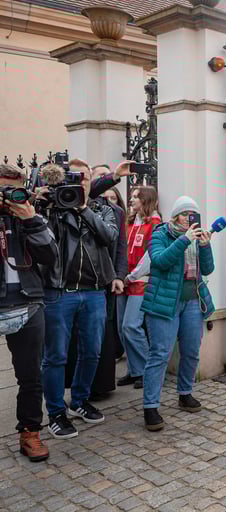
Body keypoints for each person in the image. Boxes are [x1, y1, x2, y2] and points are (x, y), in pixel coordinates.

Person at [41, 158, 119, 439]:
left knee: (92, 351)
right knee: (56, 356)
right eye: (75, 177)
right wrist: (49, 204)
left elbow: (109, 237)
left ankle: (80, 401)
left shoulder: (103, 209)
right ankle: (55, 413)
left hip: (95, 291)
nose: (80, 182)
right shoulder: (54, 209)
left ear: (91, 182)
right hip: (60, 291)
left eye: (85, 177)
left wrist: (84, 208)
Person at [140, 196, 214, 431]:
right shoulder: (160, 233)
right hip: (165, 303)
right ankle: (150, 406)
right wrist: (184, 240)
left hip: (192, 301)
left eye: (194, 214)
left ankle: (185, 393)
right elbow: (160, 261)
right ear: (175, 216)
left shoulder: (195, 237)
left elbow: (208, 268)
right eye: (185, 214)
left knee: (191, 351)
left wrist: (205, 246)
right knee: (160, 354)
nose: (190, 218)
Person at [0, 164, 58, 461]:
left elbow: (51, 257)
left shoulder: (29, 217)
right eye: (4, 190)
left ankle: (31, 432)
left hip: (28, 302)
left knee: (30, 375)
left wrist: (31, 219)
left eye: (15, 190)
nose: (10, 196)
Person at [64, 167, 128, 400]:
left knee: (102, 336)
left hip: (106, 278)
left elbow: (121, 246)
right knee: (76, 339)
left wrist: (119, 275)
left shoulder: (114, 212)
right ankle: (77, 386)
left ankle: (100, 385)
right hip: (79, 281)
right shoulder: (73, 202)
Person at [118, 186, 161, 389]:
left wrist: (132, 276)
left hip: (139, 281)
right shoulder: (130, 222)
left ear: (146, 200)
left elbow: (149, 256)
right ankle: (134, 370)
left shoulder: (154, 223)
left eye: (136, 197)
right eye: (132, 196)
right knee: (121, 328)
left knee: (131, 325)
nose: (131, 200)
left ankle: (147, 370)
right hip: (124, 280)